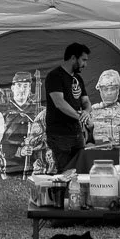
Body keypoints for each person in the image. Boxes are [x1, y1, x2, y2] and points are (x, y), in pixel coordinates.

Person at [45, 42, 92, 173]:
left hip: (77, 133)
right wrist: (80, 117)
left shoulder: (78, 78)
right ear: (73, 58)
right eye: (83, 60)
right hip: (59, 134)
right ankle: (62, 194)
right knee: (64, 173)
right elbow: (59, 103)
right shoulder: (54, 76)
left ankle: (75, 194)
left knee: (80, 170)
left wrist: (86, 113)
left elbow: (86, 102)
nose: (85, 64)